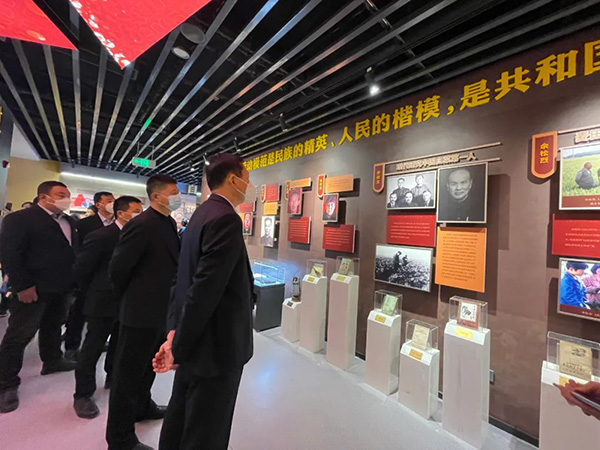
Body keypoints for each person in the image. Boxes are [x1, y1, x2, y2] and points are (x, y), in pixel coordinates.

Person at [154, 153, 255, 450]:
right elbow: (204, 290)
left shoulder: (202, 214)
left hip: (196, 341)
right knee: (206, 430)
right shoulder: (225, 219)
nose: (250, 186)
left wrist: (175, 335)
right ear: (234, 180)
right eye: (247, 179)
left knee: (182, 418)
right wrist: (178, 347)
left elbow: (182, 279)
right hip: (216, 346)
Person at [106, 175, 180, 450]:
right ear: (157, 196)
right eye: (173, 192)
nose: (177, 196)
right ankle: (120, 438)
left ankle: (142, 406)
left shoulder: (168, 223)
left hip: (160, 311)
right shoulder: (142, 224)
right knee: (126, 376)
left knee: (148, 367)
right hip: (138, 312)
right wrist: (131, 299)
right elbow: (118, 268)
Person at [0, 181, 78, 413]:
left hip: (61, 287)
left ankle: (52, 360)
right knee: (19, 334)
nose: (66, 198)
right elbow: (10, 254)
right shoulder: (20, 219)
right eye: (61, 194)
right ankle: (6, 383)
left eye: (67, 194)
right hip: (33, 288)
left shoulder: (69, 221)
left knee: (53, 325)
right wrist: (23, 286)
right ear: (43, 197)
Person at [72, 196, 143, 419]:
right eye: (136, 211)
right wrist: (93, 291)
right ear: (121, 213)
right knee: (92, 348)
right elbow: (82, 269)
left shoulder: (140, 236)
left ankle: (114, 378)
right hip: (102, 301)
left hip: (130, 301)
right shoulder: (101, 236)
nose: (140, 215)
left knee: (121, 345)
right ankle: (83, 394)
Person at [65, 191, 115, 361]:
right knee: (79, 312)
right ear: (98, 204)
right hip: (87, 275)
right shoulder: (84, 224)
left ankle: (100, 342)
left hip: (108, 276)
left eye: (113, 200)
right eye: (108, 201)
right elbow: (77, 249)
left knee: (102, 315)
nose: (112, 203)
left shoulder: (118, 224)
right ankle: (72, 345)